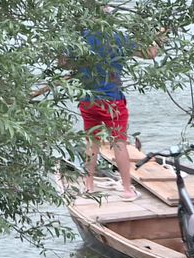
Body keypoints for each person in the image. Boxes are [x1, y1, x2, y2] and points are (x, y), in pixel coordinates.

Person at [61, 18, 159, 201]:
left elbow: (63, 62)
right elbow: (151, 53)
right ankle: (127, 190)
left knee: (92, 142)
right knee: (120, 143)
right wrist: (157, 37)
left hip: (88, 99)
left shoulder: (80, 40)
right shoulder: (118, 38)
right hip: (113, 101)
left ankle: (89, 186)